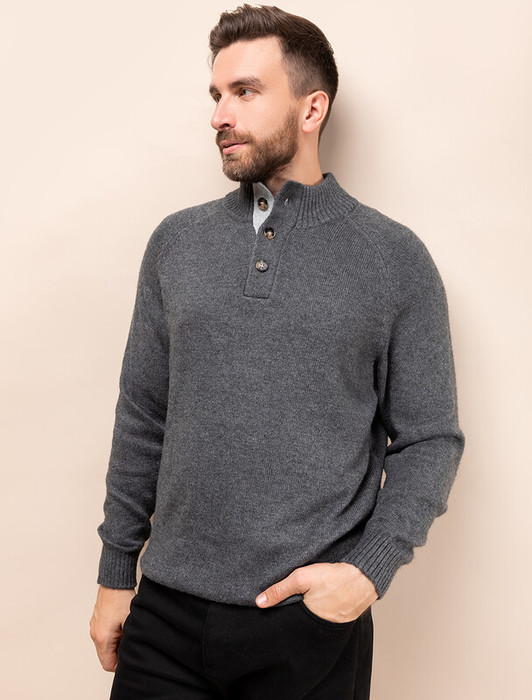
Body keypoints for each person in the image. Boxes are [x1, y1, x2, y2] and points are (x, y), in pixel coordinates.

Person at [89, 4, 466, 699]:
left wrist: (368, 572)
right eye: (216, 94)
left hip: (307, 627)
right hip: (164, 617)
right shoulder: (176, 244)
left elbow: (430, 438)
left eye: (245, 92)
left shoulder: (394, 259)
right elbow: (143, 415)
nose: (219, 115)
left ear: (312, 108)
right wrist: (116, 574)